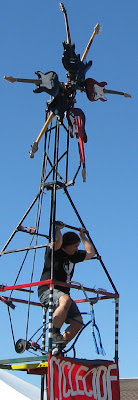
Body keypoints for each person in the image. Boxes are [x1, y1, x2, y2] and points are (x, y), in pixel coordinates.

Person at [38, 221, 96, 354]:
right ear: (67, 245)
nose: (76, 249)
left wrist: (82, 236)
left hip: (63, 295)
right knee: (65, 300)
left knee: (78, 323)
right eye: (75, 246)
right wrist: (57, 229)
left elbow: (90, 252)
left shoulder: (73, 256)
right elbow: (57, 241)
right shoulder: (55, 252)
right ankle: (55, 333)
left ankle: (58, 348)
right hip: (47, 291)